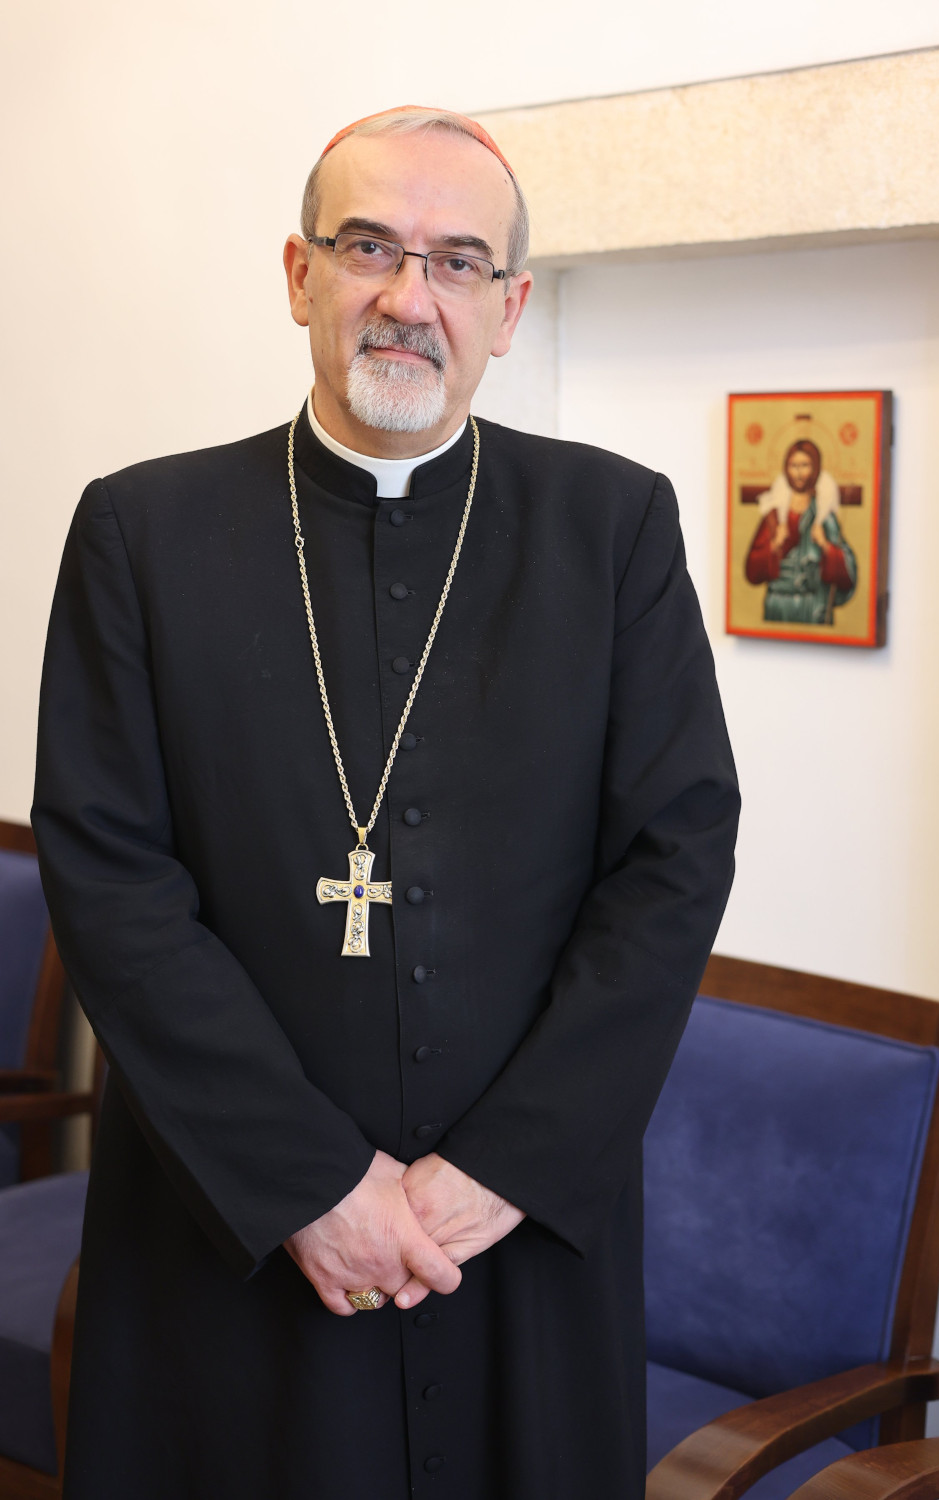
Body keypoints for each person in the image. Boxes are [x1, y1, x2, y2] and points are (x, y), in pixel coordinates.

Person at [32, 106, 740, 1500]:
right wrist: (310, 1186)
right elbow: (109, 874)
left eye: (460, 262)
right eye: (370, 247)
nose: (411, 298)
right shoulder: (141, 531)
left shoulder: (614, 531)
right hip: (228, 1237)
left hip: (516, 1242)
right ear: (299, 275)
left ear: (510, 306)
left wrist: (505, 1170)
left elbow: (674, 856)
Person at [745, 437, 857, 625]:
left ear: (815, 469)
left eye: (804, 465)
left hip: (813, 607)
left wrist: (825, 545)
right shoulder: (773, 517)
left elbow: (848, 575)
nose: (798, 472)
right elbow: (752, 571)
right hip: (778, 605)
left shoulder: (824, 517)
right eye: (793, 465)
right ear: (785, 469)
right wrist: (774, 545)